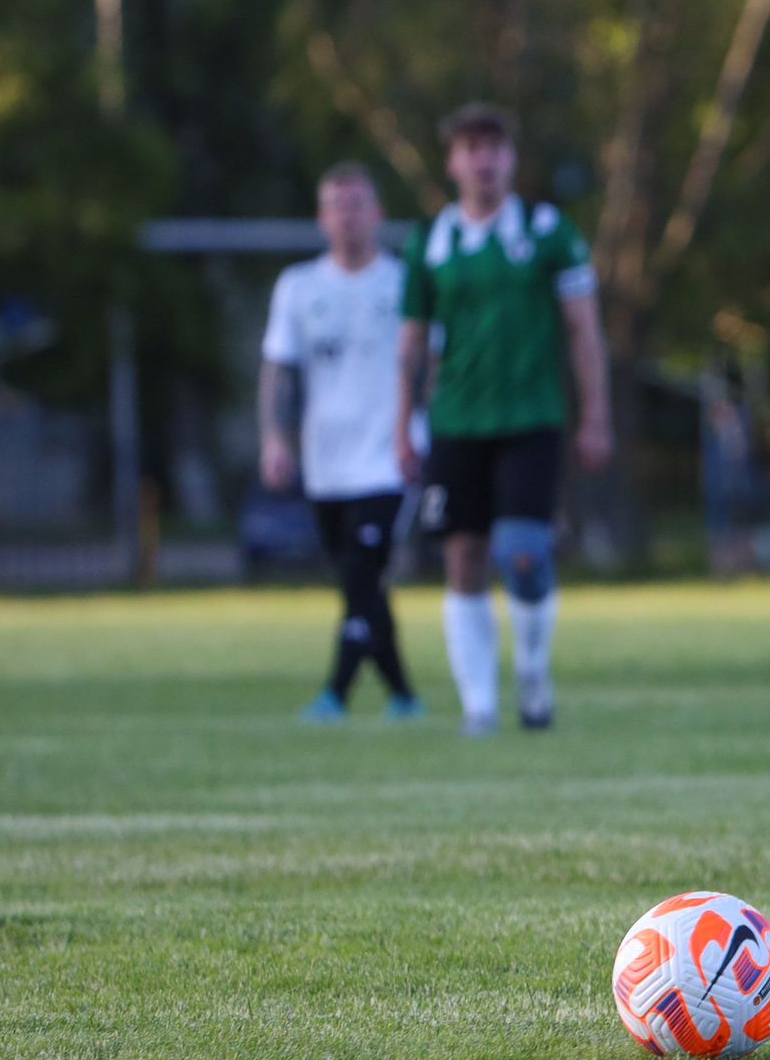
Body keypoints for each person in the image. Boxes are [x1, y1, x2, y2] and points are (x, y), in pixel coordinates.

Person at [396, 104, 613, 735]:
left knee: (521, 553)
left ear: (510, 158)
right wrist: (399, 423)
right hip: (456, 421)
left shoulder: (549, 232)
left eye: (493, 147)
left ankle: (533, 673)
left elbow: (584, 331)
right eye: (470, 148)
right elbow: (410, 343)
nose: (483, 159)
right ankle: (479, 706)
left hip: (530, 417)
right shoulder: (428, 242)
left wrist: (595, 416)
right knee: (462, 556)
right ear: (452, 161)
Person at [259, 163, 425, 723]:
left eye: (358, 204)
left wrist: (429, 433)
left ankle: (336, 692)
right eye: (337, 205)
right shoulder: (299, 287)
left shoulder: (404, 282)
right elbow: (278, 371)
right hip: (326, 462)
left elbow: (434, 364)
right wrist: (274, 438)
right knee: (363, 581)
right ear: (321, 217)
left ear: (378, 213)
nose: (348, 216)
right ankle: (404, 696)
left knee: (360, 575)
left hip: (388, 457)